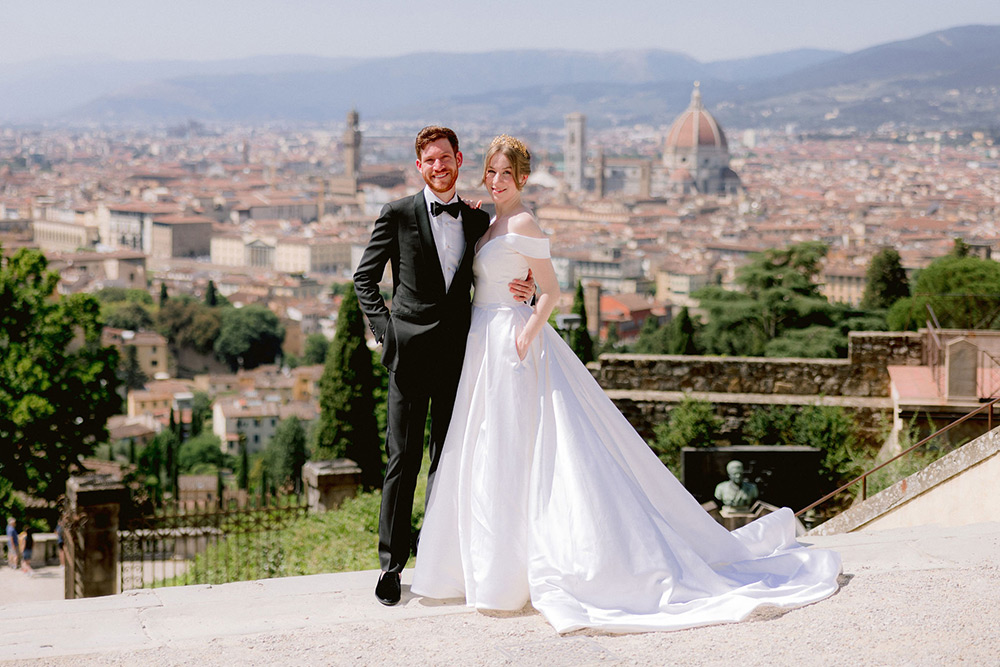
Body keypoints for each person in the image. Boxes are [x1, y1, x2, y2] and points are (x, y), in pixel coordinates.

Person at [410, 135, 842, 633]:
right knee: (487, 450)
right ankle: (490, 568)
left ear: (523, 178)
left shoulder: (525, 221)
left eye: (505, 173)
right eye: (491, 171)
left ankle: (512, 573)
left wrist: (527, 331)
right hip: (483, 343)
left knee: (516, 449)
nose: (496, 180)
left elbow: (550, 291)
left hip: (510, 342)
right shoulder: (487, 220)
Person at [353, 126, 533, 606]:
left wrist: (528, 287)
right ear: (420, 166)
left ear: (457, 160)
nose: (438, 166)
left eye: (445, 158)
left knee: (449, 461)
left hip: (462, 357)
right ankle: (391, 565)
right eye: (428, 160)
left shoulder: (477, 221)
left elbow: (505, 268)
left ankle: (435, 560)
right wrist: (388, 335)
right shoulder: (396, 214)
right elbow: (364, 280)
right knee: (402, 462)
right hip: (408, 356)